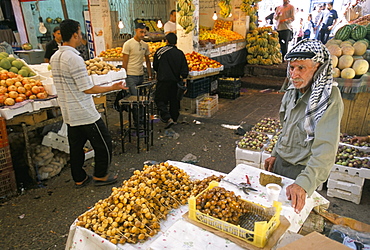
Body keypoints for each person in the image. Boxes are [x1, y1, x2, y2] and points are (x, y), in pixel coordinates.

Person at [264, 39, 344, 213]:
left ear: (318, 69)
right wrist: (275, 153)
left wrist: (303, 184)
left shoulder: (327, 98)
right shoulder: (292, 91)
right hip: (280, 165)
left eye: (301, 68)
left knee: (290, 220)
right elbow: (286, 128)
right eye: (292, 68)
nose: (294, 74)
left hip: (301, 172)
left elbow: (326, 149)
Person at [50, 19, 127, 188]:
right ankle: (100, 175)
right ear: (75, 34)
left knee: (76, 147)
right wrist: (112, 86)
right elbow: (87, 88)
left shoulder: (55, 57)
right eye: (79, 32)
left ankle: (79, 178)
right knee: (104, 142)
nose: (81, 36)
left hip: (69, 113)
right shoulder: (73, 58)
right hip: (84, 112)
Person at [153, 33, 189, 129]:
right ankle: (174, 119)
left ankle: (167, 117)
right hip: (175, 81)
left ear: (166, 41)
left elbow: (155, 66)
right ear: (176, 42)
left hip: (163, 81)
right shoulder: (180, 53)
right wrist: (184, 82)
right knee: (174, 100)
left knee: (159, 99)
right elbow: (184, 69)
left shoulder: (160, 51)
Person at [122, 22, 153, 127]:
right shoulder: (128, 44)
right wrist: (123, 77)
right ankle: (137, 123)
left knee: (142, 100)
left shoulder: (145, 45)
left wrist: (149, 75)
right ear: (135, 30)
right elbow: (124, 62)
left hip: (141, 76)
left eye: (144, 32)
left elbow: (148, 61)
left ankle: (143, 119)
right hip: (131, 76)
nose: (143, 34)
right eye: (141, 32)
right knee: (135, 100)